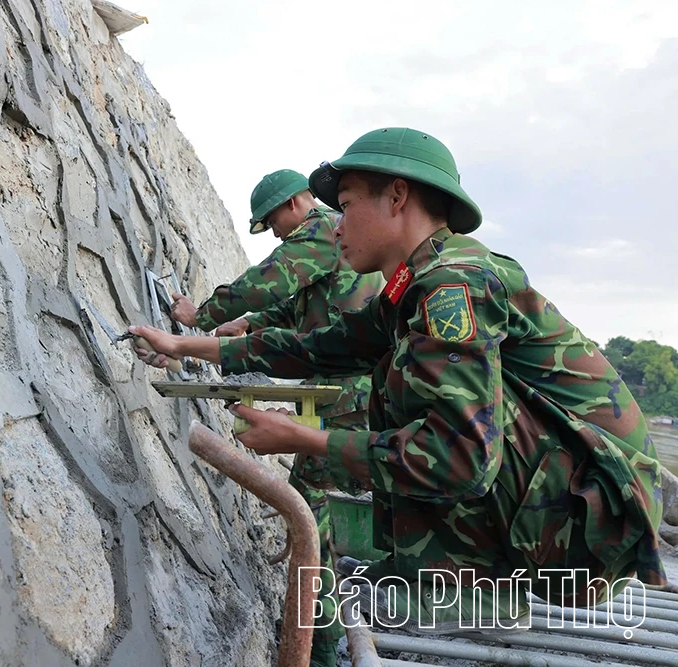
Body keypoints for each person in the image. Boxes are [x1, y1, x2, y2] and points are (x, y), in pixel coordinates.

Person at [131, 128, 665, 633]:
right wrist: (188, 345)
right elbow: (323, 345)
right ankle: (450, 577)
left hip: (596, 524)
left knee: (427, 397)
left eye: (345, 207)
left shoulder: (453, 285)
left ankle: (471, 587)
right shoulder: (415, 286)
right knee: (397, 372)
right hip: (572, 506)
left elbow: (462, 456)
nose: (336, 227)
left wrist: (303, 438)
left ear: (397, 197)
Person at [170, 169, 382, 663]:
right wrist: (232, 329)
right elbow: (292, 312)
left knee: (308, 511)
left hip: (350, 394)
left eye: (273, 225)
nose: (278, 234)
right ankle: (321, 636)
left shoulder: (323, 231)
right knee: (308, 510)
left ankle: (321, 647)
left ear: (292, 205)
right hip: (342, 392)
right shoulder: (332, 249)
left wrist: (197, 317)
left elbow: (268, 283)